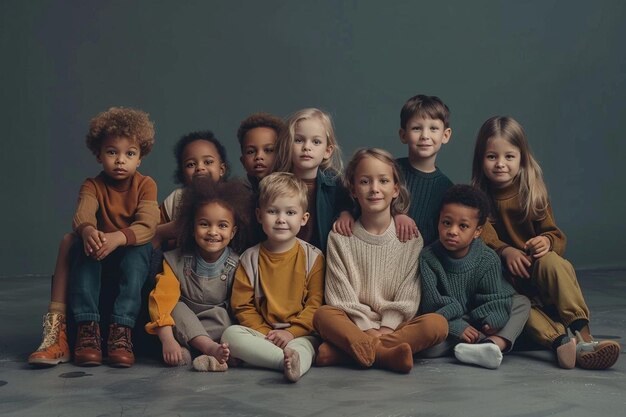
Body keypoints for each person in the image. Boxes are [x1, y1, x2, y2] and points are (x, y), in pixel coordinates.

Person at [472, 115, 620, 369]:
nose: (500, 164)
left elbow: (556, 235)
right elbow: (483, 238)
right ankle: (563, 343)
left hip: (539, 277)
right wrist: (505, 251)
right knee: (519, 310)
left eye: (509, 156)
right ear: (480, 159)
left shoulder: (533, 192)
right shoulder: (476, 198)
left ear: (522, 158)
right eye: (491, 157)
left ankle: (583, 334)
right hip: (507, 285)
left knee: (553, 262)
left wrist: (546, 241)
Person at [313, 148, 448, 374]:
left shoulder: (409, 238)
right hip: (353, 324)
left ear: (395, 189)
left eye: (383, 181)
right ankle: (386, 354)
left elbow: (409, 293)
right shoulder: (340, 237)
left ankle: (348, 352)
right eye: (365, 181)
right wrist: (366, 329)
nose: (374, 189)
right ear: (353, 190)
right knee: (323, 315)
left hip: (395, 326)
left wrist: (385, 328)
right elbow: (338, 295)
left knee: (437, 324)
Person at [68, 107, 159, 367]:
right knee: (82, 245)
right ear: (99, 155)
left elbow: (148, 225)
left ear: (140, 158)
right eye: (112, 152)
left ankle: (121, 330)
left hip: (128, 246)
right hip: (100, 248)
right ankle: (88, 327)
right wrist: (88, 231)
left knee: (139, 252)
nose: (121, 160)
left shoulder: (146, 185)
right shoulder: (92, 185)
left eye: (129, 153)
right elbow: (82, 215)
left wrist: (118, 238)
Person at [222, 172, 325, 382]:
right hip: (263, 334)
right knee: (230, 335)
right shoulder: (249, 258)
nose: (281, 219)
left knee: (306, 348)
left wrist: (291, 333)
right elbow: (242, 306)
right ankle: (281, 362)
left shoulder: (313, 257)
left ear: (303, 218)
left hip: (301, 334)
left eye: (290, 212)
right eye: (272, 211)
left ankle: (291, 361)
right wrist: (267, 335)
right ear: (260, 215)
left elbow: (316, 305)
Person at [145, 177, 252, 371]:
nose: (213, 232)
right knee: (175, 308)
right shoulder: (175, 260)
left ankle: (204, 353)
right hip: (183, 324)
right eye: (204, 224)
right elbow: (161, 300)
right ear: (192, 228)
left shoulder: (238, 262)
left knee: (227, 319)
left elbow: (241, 305)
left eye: (222, 225)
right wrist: (168, 340)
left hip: (218, 325)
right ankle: (207, 351)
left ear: (233, 231)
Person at [419, 184, 530, 369]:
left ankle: (493, 344)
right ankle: (483, 346)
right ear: (439, 221)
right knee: (428, 348)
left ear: (477, 231)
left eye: (463, 226)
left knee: (522, 303)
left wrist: (493, 320)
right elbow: (432, 304)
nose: (453, 231)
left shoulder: (488, 258)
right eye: (447, 223)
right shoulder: (428, 258)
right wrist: (456, 327)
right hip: (449, 322)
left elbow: (494, 296)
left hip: (478, 320)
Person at [333, 94, 453, 245]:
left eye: (433, 128)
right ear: (403, 135)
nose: (425, 136)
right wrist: (345, 213)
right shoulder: (388, 170)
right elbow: (349, 188)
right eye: (416, 128)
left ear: (445, 135)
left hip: (420, 261)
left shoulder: (447, 188)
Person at [271, 108, 348, 253]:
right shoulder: (275, 184)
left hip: (321, 262)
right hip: (284, 259)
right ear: (288, 145)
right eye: (299, 140)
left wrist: (345, 213)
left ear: (328, 151)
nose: (307, 147)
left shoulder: (336, 186)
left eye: (316, 142)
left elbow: (350, 205)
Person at [153, 130, 229, 251]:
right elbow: (154, 234)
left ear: (221, 169)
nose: (200, 167)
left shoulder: (232, 197)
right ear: (182, 173)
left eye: (208, 162)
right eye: (191, 164)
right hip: (180, 263)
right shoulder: (177, 198)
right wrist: (172, 230)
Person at [236, 112, 284, 191]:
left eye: (268, 150)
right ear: (243, 161)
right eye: (251, 152)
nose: (259, 156)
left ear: (281, 155)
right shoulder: (238, 194)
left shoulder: (293, 191)